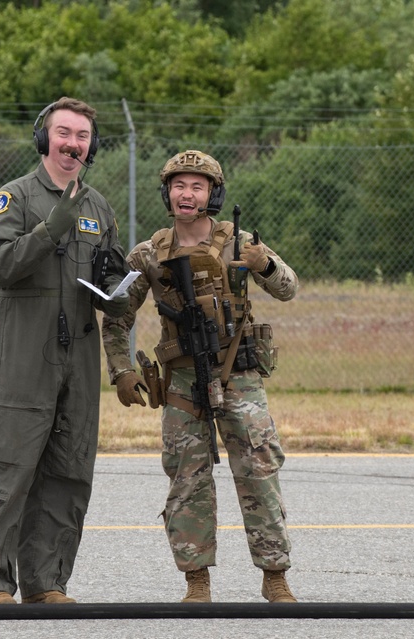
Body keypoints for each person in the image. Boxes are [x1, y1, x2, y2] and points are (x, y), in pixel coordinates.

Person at [102, 150, 299, 603]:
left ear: (213, 193)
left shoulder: (239, 243)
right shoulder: (149, 253)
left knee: (258, 470)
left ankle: (275, 577)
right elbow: (115, 315)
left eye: (197, 186)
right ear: (167, 193)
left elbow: (288, 288)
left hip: (239, 375)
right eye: (179, 185)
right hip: (182, 381)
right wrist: (122, 371)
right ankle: (196, 582)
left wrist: (263, 264)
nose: (187, 194)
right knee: (187, 478)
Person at [0, 97, 130, 604]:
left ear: (92, 146)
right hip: (22, 351)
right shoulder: (13, 198)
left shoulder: (99, 207)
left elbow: (106, 279)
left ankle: (47, 582)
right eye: (64, 133)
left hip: (78, 354)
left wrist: (120, 285)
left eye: (83, 136)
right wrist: (50, 228)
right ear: (45, 138)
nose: (73, 144)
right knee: (10, 466)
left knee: (69, 468)